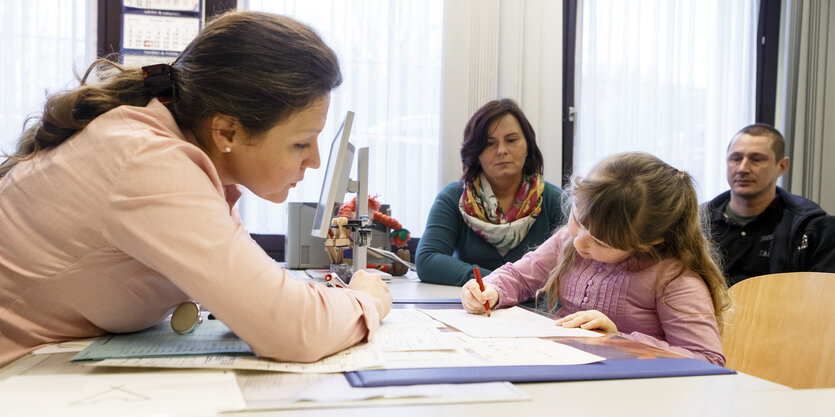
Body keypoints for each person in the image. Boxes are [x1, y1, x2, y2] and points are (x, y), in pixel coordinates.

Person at [0, 11, 392, 368]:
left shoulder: (173, 155)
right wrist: (367, 300)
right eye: (300, 143)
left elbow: (258, 297)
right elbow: (292, 329)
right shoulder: (147, 160)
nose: (315, 161)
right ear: (226, 131)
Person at [461, 152, 729, 366]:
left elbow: (708, 360)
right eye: (578, 220)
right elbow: (519, 277)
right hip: (564, 369)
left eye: (601, 242)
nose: (579, 241)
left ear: (648, 243)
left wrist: (619, 340)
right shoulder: (569, 240)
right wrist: (491, 290)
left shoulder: (673, 278)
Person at [416, 99, 566, 287]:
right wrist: (500, 282)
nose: (502, 151)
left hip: (536, 310)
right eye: (489, 143)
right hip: (474, 308)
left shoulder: (555, 201)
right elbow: (427, 260)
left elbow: (576, 267)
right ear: (476, 152)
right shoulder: (454, 197)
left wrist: (509, 286)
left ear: (528, 145)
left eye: (511, 140)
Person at [703, 124, 835, 287]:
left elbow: (823, 297)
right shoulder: (695, 223)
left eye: (756, 159)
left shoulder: (812, 227)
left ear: (782, 166)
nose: (742, 168)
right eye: (736, 158)